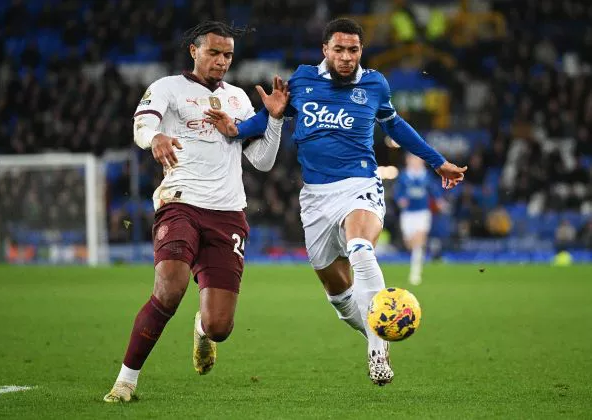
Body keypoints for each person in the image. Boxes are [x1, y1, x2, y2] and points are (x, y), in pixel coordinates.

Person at [205, 18, 467, 386]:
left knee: (361, 248)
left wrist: (438, 161)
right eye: (339, 49)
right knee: (341, 298)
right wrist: (237, 129)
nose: (346, 57)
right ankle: (376, 332)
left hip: (360, 184)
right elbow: (269, 116)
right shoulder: (301, 81)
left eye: (354, 50)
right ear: (325, 50)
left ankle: (377, 354)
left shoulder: (375, 84)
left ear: (361, 51)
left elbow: (396, 126)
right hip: (315, 198)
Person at [103, 21, 289, 403]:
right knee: (170, 286)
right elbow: (143, 123)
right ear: (194, 50)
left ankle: (203, 331)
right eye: (214, 53)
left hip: (228, 213)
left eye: (228, 55)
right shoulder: (168, 87)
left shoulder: (238, 98)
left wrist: (274, 120)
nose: (222, 61)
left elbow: (263, 161)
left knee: (220, 326)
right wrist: (155, 137)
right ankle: (125, 382)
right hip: (180, 202)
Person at [394, 153, 446, 285]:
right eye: (413, 159)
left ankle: (415, 273)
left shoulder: (426, 176)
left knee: (419, 240)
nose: (416, 162)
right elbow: (398, 192)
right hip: (408, 214)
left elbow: (434, 190)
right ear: (408, 161)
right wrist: (400, 200)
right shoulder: (404, 176)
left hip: (422, 213)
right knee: (410, 244)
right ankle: (416, 263)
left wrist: (439, 201)